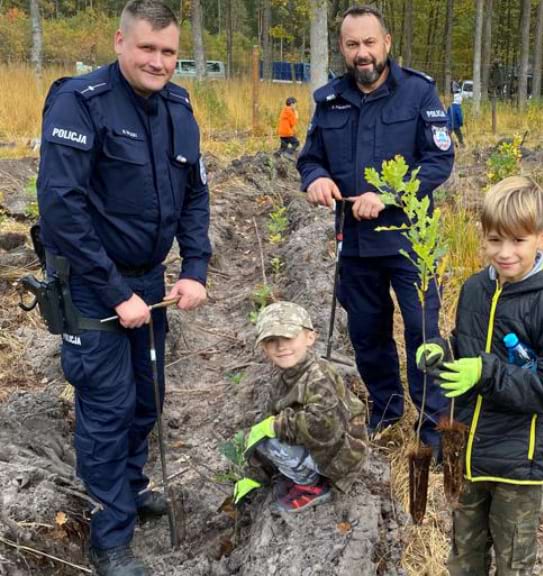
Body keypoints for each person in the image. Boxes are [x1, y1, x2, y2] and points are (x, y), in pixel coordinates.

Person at [35, 0, 211, 574]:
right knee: (107, 408)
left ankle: (130, 491)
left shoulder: (180, 107)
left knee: (147, 395)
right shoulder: (78, 104)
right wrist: (115, 293)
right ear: (119, 42)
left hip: (150, 282)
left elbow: (195, 196)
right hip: (93, 289)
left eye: (168, 52)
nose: (158, 62)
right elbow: (62, 209)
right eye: (147, 49)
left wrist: (195, 269)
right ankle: (109, 538)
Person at [297, 5, 454, 451]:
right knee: (368, 332)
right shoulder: (328, 101)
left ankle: (433, 427)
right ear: (342, 49)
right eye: (352, 45)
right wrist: (317, 178)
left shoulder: (419, 94)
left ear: (386, 43)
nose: (362, 53)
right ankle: (386, 410)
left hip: (410, 241)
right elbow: (310, 158)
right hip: (355, 244)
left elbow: (439, 160)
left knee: (424, 333)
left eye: (369, 42)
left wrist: (389, 195)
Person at [417, 176, 543, 575]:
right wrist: (443, 350)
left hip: (518, 462)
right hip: (469, 450)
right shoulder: (476, 289)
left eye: (518, 241)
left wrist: (487, 372)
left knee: (513, 560)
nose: (505, 253)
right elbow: (468, 347)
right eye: (495, 241)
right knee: (464, 555)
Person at [233, 302, 368, 513]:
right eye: (271, 341)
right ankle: (301, 471)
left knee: (271, 440)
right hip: (328, 447)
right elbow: (270, 419)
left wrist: (276, 426)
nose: (280, 347)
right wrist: (253, 477)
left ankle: (312, 485)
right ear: (263, 347)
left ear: (310, 337)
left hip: (344, 455)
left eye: (288, 337)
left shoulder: (319, 377)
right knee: (261, 435)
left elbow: (325, 427)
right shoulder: (285, 376)